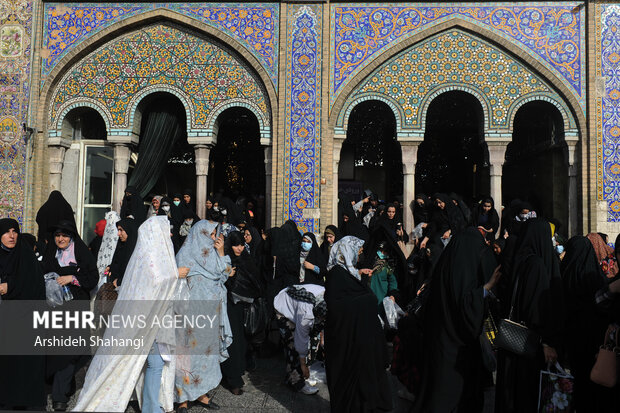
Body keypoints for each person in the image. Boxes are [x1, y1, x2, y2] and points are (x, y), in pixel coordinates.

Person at [73, 216, 187, 413]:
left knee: (154, 362)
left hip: (154, 318)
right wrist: (176, 274)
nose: (169, 234)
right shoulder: (150, 257)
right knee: (154, 363)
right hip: (146, 320)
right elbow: (153, 283)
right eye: (166, 230)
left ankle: (152, 406)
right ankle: (152, 408)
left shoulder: (149, 255)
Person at [413, 228, 500, 412]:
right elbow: (465, 304)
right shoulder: (463, 271)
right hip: (456, 346)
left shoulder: (445, 265)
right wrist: (487, 287)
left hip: (439, 340)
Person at [495, 219, 564, 413]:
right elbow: (535, 310)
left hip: (513, 341)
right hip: (529, 345)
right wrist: (546, 342)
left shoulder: (519, 260)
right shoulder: (536, 265)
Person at [324, 236, 392, 412]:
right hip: (345, 343)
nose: (359, 255)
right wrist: (367, 301)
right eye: (357, 252)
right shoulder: (336, 275)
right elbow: (338, 308)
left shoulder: (346, 273)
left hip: (356, 341)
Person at [174, 220, 234, 412]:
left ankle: (202, 394)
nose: (214, 238)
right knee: (186, 356)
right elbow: (175, 285)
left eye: (216, 234)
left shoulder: (216, 254)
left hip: (211, 315)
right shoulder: (185, 255)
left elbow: (225, 275)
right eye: (211, 234)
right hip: (190, 316)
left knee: (206, 357)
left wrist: (222, 252)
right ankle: (182, 398)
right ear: (200, 234)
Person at [42, 219, 98, 411]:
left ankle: (62, 391)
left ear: (71, 236)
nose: (61, 239)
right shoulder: (52, 253)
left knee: (74, 351)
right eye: (57, 235)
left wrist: (72, 278)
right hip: (56, 308)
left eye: (65, 235)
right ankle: (60, 393)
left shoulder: (80, 252)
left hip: (76, 306)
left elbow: (92, 277)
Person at [560, 236, 615, 412]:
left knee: (580, 381)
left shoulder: (564, 274)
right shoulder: (596, 279)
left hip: (573, 342)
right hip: (595, 342)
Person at [0, 218, 46, 410]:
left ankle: (26, 399)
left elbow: (34, 284)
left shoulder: (25, 255)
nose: (12, 236)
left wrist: (11, 287)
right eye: (7, 232)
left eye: (15, 231)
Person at [221, 231, 263, 394]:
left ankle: (238, 370)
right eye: (235, 245)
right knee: (231, 340)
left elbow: (254, 281)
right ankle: (233, 380)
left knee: (240, 340)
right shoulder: (225, 259)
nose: (238, 248)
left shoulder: (246, 258)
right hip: (228, 307)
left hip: (243, 308)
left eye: (241, 245)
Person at [273, 284, 327, 395]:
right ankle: (295, 381)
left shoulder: (329, 299)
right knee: (292, 346)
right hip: (283, 307)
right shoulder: (306, 315)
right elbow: (300, 340)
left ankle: (302, 373)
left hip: (296, 302)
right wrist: (303, 365)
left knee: (311, 338)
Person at [106, 218, 138, 287]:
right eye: (118, 230)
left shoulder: (135, 251)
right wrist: (111, 267)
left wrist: (120, 281)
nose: (118, 234)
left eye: (121, 230)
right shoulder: (121, 246)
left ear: (129, 231)